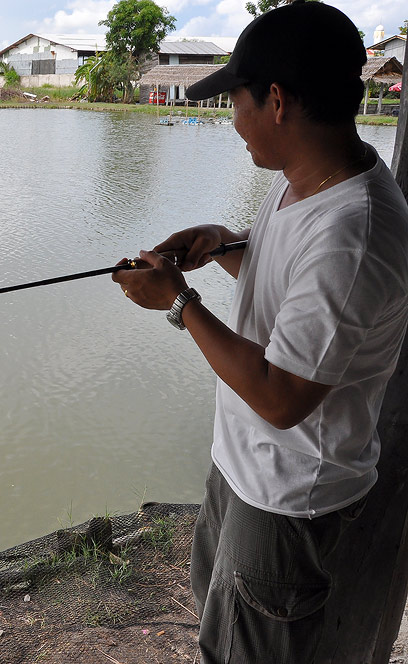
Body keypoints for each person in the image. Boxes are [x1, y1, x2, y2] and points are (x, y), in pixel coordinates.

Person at [111, 2, 408, 661]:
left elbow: (281, 397)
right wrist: (223, 246)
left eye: (236, 102)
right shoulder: (302, 181)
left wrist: (178, 301)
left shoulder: (353, 234)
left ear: (276, 101)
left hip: (287, 498)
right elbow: (293, 295)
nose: (232, 122)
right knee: (220, 619)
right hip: (244, 469)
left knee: (253, 647)